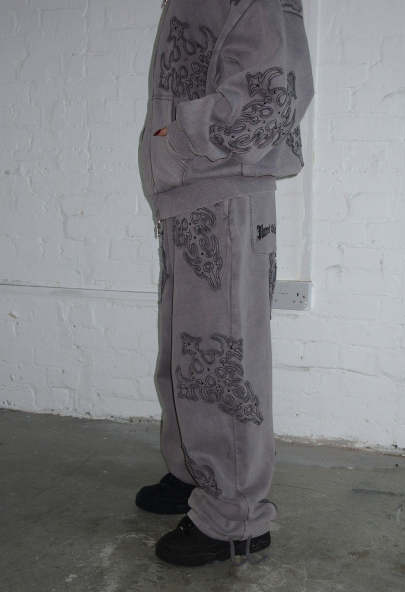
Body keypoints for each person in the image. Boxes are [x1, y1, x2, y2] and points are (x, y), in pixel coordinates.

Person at [136, 0, 314, 568]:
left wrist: (176, 135)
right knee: (183, 354)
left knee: (222, 364)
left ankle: (235, 520)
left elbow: (273, 95)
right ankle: (196, 474)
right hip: (190, 196)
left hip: (224, 196)